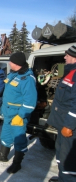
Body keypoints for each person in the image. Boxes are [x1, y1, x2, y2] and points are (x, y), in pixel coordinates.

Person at [0, 52, 37, 174]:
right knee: (5, 135)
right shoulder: (13, 74)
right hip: (8, 113)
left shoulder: (28, 79)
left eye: (11, 62)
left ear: (18, 64)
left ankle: (17, 163)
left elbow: (30, 102)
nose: (9, 63)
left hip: (17, 115)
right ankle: (3, 155)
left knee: (19, 139)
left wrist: (21, 116)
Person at [47, 45, 76, 182]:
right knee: (60, 154)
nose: (64, 57)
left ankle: (67, 178)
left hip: (69, 126)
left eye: (67, 55)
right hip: (62, 123)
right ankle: (62, 177)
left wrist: (69, 126)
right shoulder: (69, 72)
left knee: (68, 159)